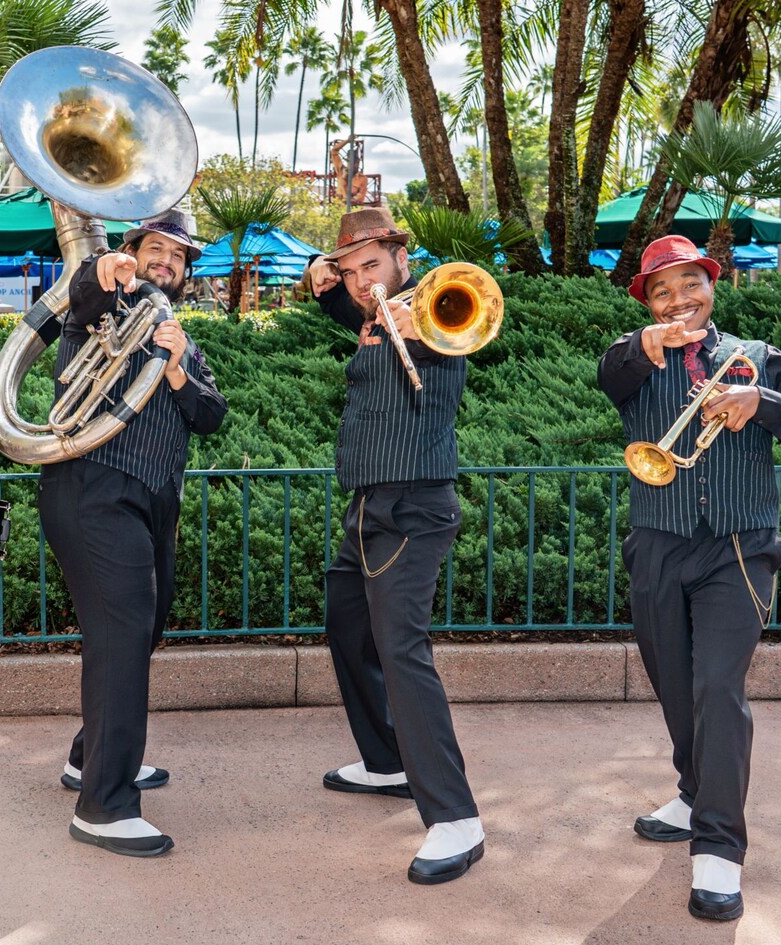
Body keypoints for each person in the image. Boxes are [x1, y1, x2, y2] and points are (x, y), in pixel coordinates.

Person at [598, 234, 781, 921]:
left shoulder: (760, 360)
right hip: (658, 543)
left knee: (717, 688)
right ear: (648, 302)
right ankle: (691, 789)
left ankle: (719, 850)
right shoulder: (632, 360)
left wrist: (760, 403)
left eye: (690, 285)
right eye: (662, 291)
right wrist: (643, 345)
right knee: (676, 686)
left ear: (714, 283)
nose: (680, 300)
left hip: (740, 548)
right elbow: (609, 373)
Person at [302, 207, 486, 885]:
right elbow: (324, 292)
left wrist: (423, 323)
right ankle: (386, 761)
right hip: (364, 508)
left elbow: (470, 309)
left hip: (414, 506)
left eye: (370, 265)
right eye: (350, 269)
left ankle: (456, 815)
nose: (358, 280)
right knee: (347, 627)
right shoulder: (367, 314)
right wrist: (316, 273)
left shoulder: (436, 310)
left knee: (403, 651)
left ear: (402, 259)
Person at [41, 209, 228, 857]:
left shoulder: (181, 335)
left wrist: (178, 369)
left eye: (179, 257)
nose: (166, 262)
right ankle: (106, 803)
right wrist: (98, 271)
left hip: (152, 504)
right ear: (134, 251)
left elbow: (211, 414)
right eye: (157, 249)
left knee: (141, 630)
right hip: (92, 486)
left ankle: (87, 759)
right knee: (123, 630)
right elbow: (81, 289)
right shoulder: (100, 305)